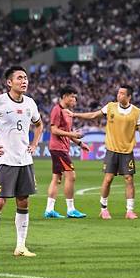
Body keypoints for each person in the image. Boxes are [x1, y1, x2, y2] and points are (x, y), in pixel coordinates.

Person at [0, 66, 43, 259]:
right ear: (9, 82)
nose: (24, 81)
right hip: (5, 161)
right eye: (20, 78)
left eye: (26, 78)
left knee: (24, 201)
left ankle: (20, 246)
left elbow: (39, 124)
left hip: (24, 161)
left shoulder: (30, 103)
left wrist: (35, 144)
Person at [70, 85, 140, 219]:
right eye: (118, 93)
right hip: (112, 150)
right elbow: (93, 115)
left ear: (129, 97)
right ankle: (103, 209)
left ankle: (130, 211)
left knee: (129, 179)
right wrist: (75, 114)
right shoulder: (110, 107)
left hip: (127, 151)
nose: (118, 95)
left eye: (122, 93)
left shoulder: (137, 112)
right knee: (108, 179)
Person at [44, 86, 90, 219]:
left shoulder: (67, 112)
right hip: (58, 148)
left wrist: (80, 144)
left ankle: (49, 210)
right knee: (71, 176)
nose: (75, 99)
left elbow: (68, 134)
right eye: (72, 97)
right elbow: (54, 130)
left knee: (56, 178)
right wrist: (71, 133)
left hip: (61, 148)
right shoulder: (57, 110)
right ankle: (71, 209)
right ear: (65, 97)